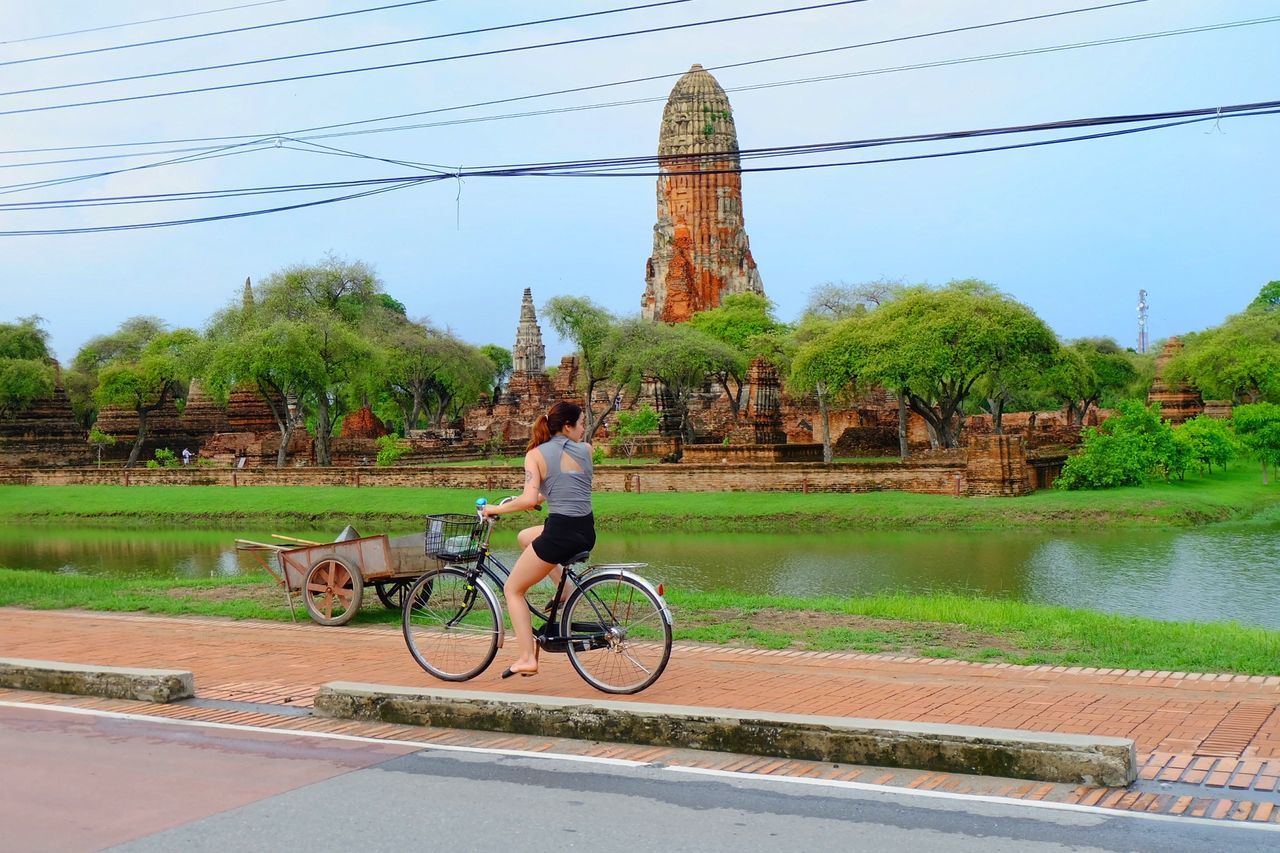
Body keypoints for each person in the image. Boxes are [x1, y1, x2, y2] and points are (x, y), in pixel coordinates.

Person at [481, 401, 593, 679]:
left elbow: (530, 498)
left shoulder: (536, 454)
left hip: (560, 534)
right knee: (525, 536)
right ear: (567, 426)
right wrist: (539, 498)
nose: (583, 429)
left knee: (513, 590)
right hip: (585, 532)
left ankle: (527, 657)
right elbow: (563, 485)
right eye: (581, 424)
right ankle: (564, 590)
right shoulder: (587, 451)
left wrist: (494, 509)